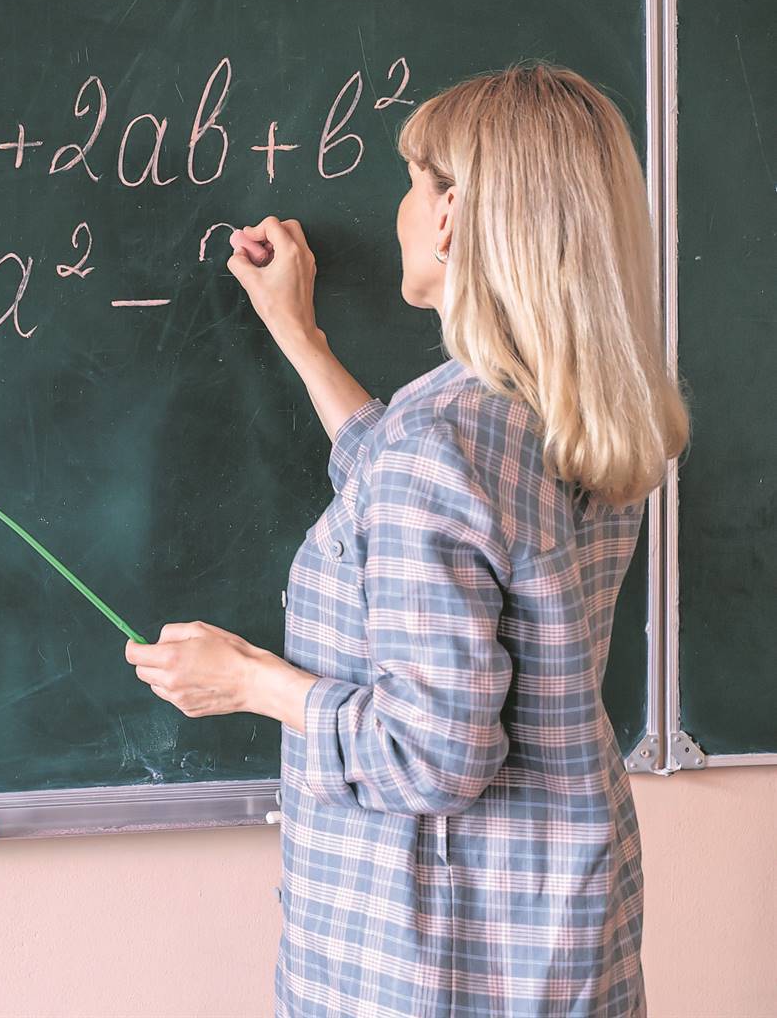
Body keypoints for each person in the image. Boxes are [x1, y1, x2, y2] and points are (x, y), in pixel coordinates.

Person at [124, 64, 689, 1016]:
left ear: (451, 215)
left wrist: (250, 682)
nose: (399, 208)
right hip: (552, 926)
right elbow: (400, 481)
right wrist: (298, 335)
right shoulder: (566, 413)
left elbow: (428, 756)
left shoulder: (441, 447)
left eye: (411, 182)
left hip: (428, 958)